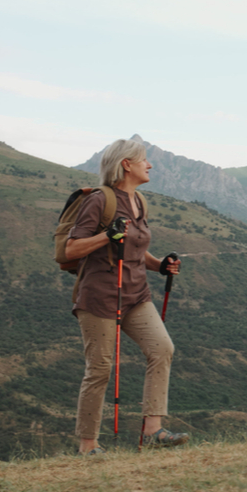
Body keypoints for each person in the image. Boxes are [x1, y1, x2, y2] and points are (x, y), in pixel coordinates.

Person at [65, 138, 189, 455]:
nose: (149, 165)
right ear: (126, 165)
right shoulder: (100, 201)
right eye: (144, 160)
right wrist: (107, 234)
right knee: (100, 369)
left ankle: (153, 430)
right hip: (100, 297)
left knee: (162, 348)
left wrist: (159, 265)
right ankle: (88, 445)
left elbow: (135, 249)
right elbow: (72, 248)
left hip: (135, 293)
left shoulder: (140, 202)